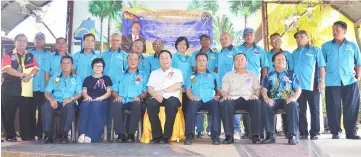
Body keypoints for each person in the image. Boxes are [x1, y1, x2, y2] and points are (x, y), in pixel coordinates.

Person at [322, 21, 361, 140]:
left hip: (350, 81)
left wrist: (358, 78)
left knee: (351, 107)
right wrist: (322, 80)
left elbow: (359, 63)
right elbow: (322, 65)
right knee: (333, 107)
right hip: (332, 81)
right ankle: (335, 132)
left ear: (344, 31)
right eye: (333, 29)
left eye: (337, 29)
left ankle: (351, 132)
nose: (334, 32)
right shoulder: (326, 46)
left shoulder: (353, 46)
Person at [1, 34, 39, 142]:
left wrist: (30, 75)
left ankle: (25, 135)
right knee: (9, 114)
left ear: (27, 43)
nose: (22, 43)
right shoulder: (8, 54)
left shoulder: (30, 55)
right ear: (15, 42)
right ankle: (10, 135)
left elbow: (36, 69)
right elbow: (8, 69)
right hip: (10, 88)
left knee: (25, 114)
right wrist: (23, 75)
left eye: (24, 41)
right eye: (19, 40)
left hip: (25, 90)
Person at [220, 53, 262, 144]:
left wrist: (256, 95)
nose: (239, 61)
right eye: (237, 60)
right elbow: (224, 90)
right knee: (225, 103)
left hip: (249, 98)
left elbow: (257, 88)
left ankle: (255, 135)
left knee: (257, 102)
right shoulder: (228, 75)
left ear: (246, 62)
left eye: (242, 59)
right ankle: (229, 136)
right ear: (233, 63)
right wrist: (226, 96)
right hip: (233, 99)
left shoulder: (252, 74)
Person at [261, 53, 301, 145]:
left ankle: (292, 136)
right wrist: (266, 97)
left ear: (286, 62)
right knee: (266, 104)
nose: (281, 61)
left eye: (283, 59)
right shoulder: (269, 75)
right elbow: (264, 88)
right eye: (278, 59)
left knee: (293, 105)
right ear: (273, 62)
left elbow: (298, 88)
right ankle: (270, 135)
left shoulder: (292, 74)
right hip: (274, 100)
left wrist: (294, 98)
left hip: (288, 100)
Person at [292, 30, 326, 140]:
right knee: (300, 111)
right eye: (297, 37)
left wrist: (321, 81)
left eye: (302, 36)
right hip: (298, 88)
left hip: (313, 85)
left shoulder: (315, 50)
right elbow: (291, 70)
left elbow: (321, 67)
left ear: (307, 37)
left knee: (314, 110)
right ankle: (303, 132)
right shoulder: (294, 53)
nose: (300, 38)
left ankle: (314, 132)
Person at [40, 56, 82, 144]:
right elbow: (47, 92)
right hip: (56, 102)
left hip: (69, 102)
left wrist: (71, 99)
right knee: (46, 107)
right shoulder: (54, 78)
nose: (66, 65)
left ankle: (63, 135)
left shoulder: (77, 79)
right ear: (60, 65)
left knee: (69, 107)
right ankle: (48, 135)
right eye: (64, 63)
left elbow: (79, 94)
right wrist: (51, 100)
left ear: (72, 65)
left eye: (68, 63)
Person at [236, 28, 269, 139]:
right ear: (243, 37)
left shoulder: (260, 50)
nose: (249, 36)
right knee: (244, 106)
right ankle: (247, 131)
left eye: (251, 34)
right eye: (246, 35)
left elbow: (264, 67)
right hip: (240, 83)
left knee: (256, 107)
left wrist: (263, 83)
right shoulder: (237, 49)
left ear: (254, 36)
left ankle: (258, 132)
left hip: (255, 84)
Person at [184, 53, 221, 145]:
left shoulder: (213, 75)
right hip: (196, 99)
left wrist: (218, 95)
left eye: (203, 60)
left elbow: (219, 89)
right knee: (191, 105)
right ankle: (189, 135)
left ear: (207, 62)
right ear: (195, 62)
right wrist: (191, 97)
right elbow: (188, 89)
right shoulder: (192, 76)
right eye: (199, 60)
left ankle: (215, 136)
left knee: (216, 105)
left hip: (210, 99)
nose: (201, 62)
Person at [146, 50, 183, 144]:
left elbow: (178, 85)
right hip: (157, 96)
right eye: (162, 58)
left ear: (171, 60)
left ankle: (166, 136)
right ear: (159, 60)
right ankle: (157, 136)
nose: (164, 60)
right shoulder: (154, 73)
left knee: (171, 104)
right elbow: (149, 87)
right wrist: (154, 95)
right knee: (150, 104)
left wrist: (162, 92)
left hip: (172, 97)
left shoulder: (177, 71)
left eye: (167, 58)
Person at [111, 53, 148, 143]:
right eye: (130, 59)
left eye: (135, 59)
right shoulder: (120, 75)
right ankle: (121, 134)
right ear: (127, 61)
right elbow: (114, 90)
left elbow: (146, 92)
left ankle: (131, 134)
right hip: (122, 100)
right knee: (116, 104)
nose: (133, 61)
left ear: (138, 62)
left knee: (137, 104)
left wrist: (139, 97)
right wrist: (117, 96)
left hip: (135, 100)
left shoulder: (143, 75)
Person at [78, 58, 112, 143]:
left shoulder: (107, 78)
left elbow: (108, 93)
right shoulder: (87, 79)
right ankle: (82, 133)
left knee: (95, 105)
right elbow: (84, 92)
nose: (98, 68)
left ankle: (91, 135)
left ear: (103, 68)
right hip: (89, 98)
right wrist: (87, 97)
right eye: (96, 66)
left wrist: (100, 98)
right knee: (85, 105)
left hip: (102, 100)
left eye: (100, 66)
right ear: (92, 67)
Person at [266, 33, 294, 137]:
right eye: (273, 40)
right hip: (271, 84)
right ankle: (271, 133)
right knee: (269, 106)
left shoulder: (287, 54)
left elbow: (291, 69)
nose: (276, 42)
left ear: (281, 41)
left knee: (289, 105)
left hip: (286, 85)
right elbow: (264, 68)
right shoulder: (266, 54)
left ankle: (288, 132)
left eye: (278, 40)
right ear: (270, 42)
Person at [191, 34, 217, 138]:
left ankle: (211, 130)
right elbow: (193, 68)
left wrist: (209, 77)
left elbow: (216, 68)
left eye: (207, 39)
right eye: (202, 40)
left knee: (212, 103)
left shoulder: (215, 54)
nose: (205, 41)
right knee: (197, 100)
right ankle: (199, 130)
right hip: (197, 79)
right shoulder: (195, 54)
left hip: (211, 82)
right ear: (200, 42)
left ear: (210, 41)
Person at [28, 32, 50, 140]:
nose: (39, 40)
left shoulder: (49, 54)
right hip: (29, 87)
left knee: (42, 111)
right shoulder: (28, 53)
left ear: (45, 41)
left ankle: (40, 133)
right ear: (33, 41)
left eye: (41, 39)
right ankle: (31, 133)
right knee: (30, 111)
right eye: (37, 38)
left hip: (44, 88)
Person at [171, 37, 193, 118]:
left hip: (188, 89)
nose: (182, 46)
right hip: (176, 89)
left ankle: (186, 130)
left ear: (187, 46)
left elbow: (193, 73)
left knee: (187, 112)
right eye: (180, 44)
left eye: (184, 44)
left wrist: (193, 84)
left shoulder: (190, 58)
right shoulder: (172, 57)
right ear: (176, 45)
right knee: (176, 112)